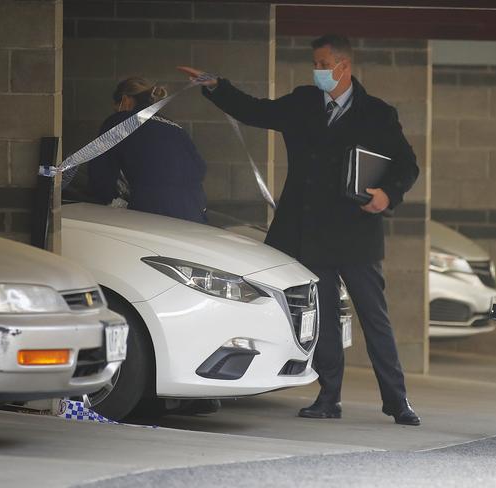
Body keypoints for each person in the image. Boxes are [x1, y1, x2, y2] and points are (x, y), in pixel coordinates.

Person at [178, 34, 421, 425]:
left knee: (375, 319)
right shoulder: (303, 102)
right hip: (310, 231)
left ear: (344, 67)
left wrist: (388, 196)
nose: (319, 71)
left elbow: (407, 165)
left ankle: (398, 401)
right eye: (317, 64)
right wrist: (217, 87)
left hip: (357, 233)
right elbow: (256, 111)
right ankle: (329, 397)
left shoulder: (378, 113)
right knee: (322, 317)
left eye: (325, 64)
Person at [88, 77, 208, 223]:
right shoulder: (175, 127)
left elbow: (101, 173)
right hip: (193, 213)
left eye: (116, 107)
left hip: (150, 213)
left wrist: (108, 203)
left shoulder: (119, 121)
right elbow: (199, 168)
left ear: (125, 100)